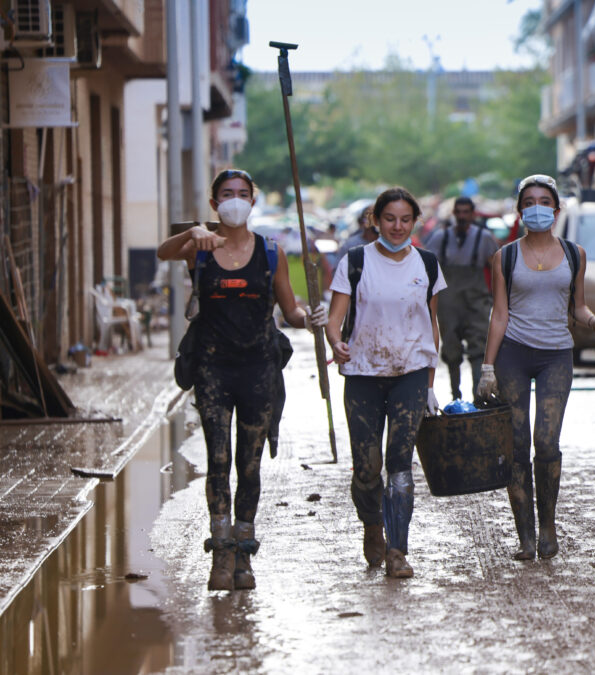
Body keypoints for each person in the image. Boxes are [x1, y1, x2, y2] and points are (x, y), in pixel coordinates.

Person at [156, 169, 326, 591]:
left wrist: (311, 319)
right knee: (217, 460)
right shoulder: (198, 249)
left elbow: (290, 312)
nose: (235, 201)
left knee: (248, 465)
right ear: (215, 204)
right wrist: (195, 232)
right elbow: (163, 251)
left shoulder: (271, 253)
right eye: (227, 195)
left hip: (258, 370)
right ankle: (221, 552)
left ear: (253, 201)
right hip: (212, 370)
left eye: (243, 194)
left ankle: (245, 553)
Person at [476, 174, 595, 561]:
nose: (537, 208)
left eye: (544, 201)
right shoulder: (505, 256)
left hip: (557, 355)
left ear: (556, 208)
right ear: (520, 210)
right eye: (529, 201)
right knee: (516, 445)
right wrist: (488, 367)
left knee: (546, 442)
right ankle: (525, 536)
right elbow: (499, 315)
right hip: (514, 354)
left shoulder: (574, 254)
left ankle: (548, 525)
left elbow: (578, 308)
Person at [324, 187, 446, 579]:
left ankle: (397, 549)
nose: (397, 227)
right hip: (362, 374)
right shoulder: (356, 261)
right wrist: (335, 342)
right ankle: (372, 525)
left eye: (405, 220)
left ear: (414, 222)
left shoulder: (426, 264)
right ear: (375, 221)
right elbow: (334, 317)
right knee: (366, 466)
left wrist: (429, 382)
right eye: (389, 219)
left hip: (409, 374)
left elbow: (432, 324)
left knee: (399, 465)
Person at [423, 196, 499, 400]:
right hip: (449, 302)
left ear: (473, 214)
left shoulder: (484, 237)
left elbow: (495, 267)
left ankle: (478, 396)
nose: (463, 216)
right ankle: (455, 394)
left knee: (478, 347)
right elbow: (429, 267)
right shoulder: (441, 237)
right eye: (459, 212)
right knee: (451, 349)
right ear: (454, 214)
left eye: (467, 212)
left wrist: (499, 296)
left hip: (476, 300)